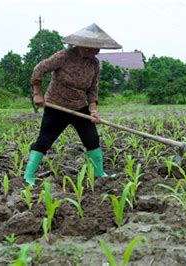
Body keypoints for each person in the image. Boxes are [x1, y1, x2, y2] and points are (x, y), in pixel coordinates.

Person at [23, 23, 122, 185]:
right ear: (85, 46)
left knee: (92, 139)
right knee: (44, 141)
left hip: (79, 107)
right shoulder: (64, 56)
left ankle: (99, 174)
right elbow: (39, 69)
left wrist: (94, 111)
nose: (98, 51)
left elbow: (92, 89)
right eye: (95, 48)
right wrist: (37, 94)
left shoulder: (94, 64)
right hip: (56, 106)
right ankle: (28, 177)